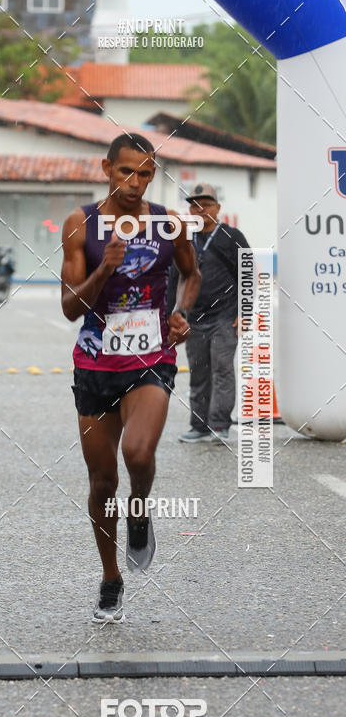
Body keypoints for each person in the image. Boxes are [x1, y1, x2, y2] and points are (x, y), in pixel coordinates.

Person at [61, 133, 201, 623]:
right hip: (95, 363)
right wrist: (105, 270)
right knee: (102, 482)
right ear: (106, 168)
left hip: (151, 357)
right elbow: (68, 306)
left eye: (145, 173)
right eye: (126, 171)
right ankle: (110, 578)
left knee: (138, 454)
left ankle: (139, 509)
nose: (135, 182)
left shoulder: (168, 223)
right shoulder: (82, 223)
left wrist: (181, 312)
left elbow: (192, 274)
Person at [169, 182, 251, 444]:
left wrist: (245, 311)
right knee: (199, 371)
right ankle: (199, 425)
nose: (200, 209)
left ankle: (219, 425)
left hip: (225, 317)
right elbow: (174, 279)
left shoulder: (232, 236)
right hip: (194, 318)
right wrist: (171, 315)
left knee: (222, 368)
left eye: (206, 205)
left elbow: (248, 275)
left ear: (218, 208)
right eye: (195, 205)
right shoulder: (184, 239)